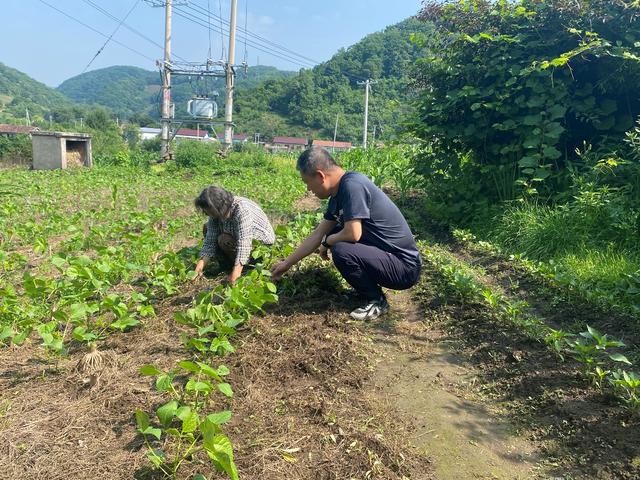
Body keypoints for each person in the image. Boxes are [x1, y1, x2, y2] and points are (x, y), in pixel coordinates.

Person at [270, 147, 421, 320]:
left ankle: (376, 300)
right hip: (389, 259)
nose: (308, 189)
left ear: (320, 176)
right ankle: (367, 292)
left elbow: (353, 234)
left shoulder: (352, 186)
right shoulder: (337, 195)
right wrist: (286, 263)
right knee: (334, 234)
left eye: (307, 183)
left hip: (404, 266)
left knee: (341, 248)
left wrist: (328, 242)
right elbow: (317, 235)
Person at [194, 185, 275, 284]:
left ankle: (243, 268)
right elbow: (209, 240)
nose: (207, 214)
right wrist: (198, 270)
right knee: (207, 228)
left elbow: (244, 243)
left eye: (209, 212)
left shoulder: (241, 209)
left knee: (224, 239)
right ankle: (226, 267)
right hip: (239, 241)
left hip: (260, 248)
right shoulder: (216, 213)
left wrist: (235, 276)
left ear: (218, 207)